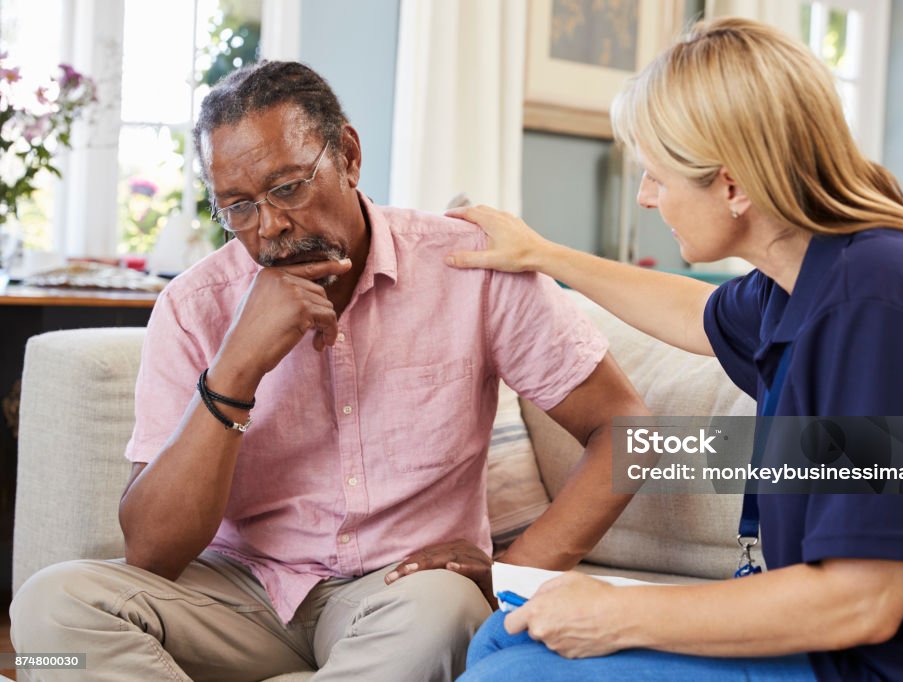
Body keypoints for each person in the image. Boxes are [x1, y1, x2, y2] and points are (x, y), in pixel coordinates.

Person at [9, 61, 650, 681]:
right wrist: (237, 368)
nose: (271, 227)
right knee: (47, 616)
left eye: (287, 187)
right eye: (237, 207)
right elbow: (151, 553)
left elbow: (631, 433)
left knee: (446, 614)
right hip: (238, 596)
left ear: (347, 154)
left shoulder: (469, 267)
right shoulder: (192, 306)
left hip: (400, 594)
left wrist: (514, 570)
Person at [448, 17, 903, 682]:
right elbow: (699, 314)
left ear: (732, 186)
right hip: (842, 647)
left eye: (657, 176)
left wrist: (613, 613)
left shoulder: (879, 312)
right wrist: (542, 254)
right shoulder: (808, 274)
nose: (645, 197)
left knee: (513, 675)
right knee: (500, 636)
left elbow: (863, 601)